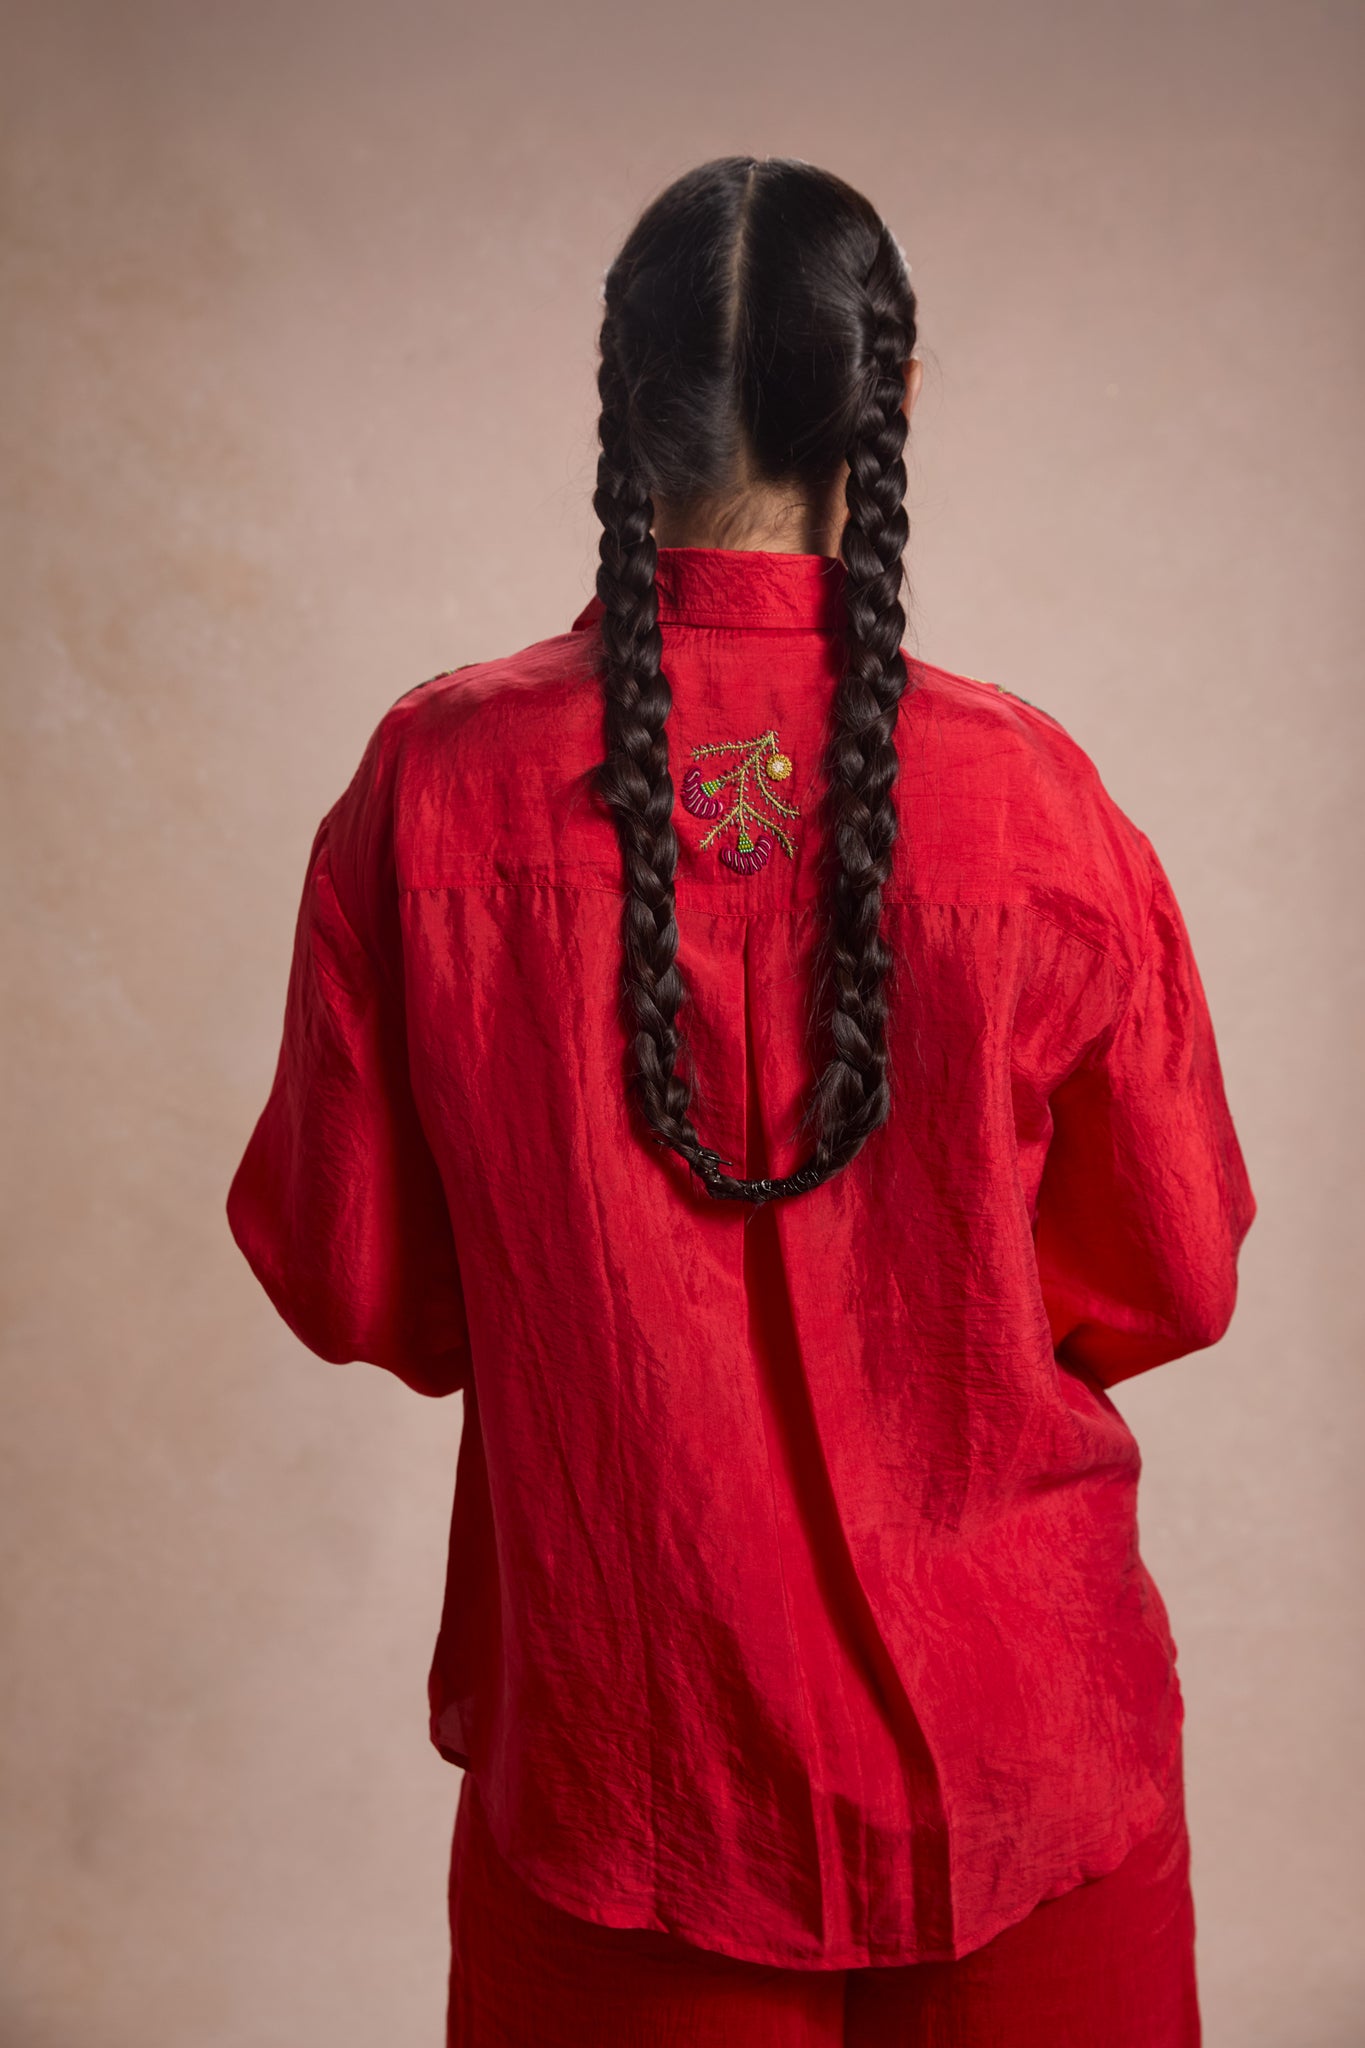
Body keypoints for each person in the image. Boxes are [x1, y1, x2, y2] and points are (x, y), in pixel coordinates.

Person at [226, 155, 1257, 2046]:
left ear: (617, 396)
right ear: (893, 397)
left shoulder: (431, 787)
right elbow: (1167, 1276)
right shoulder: (1034, 802)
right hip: (1021, 1754)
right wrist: (930, 1321)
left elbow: (357, 1280)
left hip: (630, 1767)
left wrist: (577, 1293)